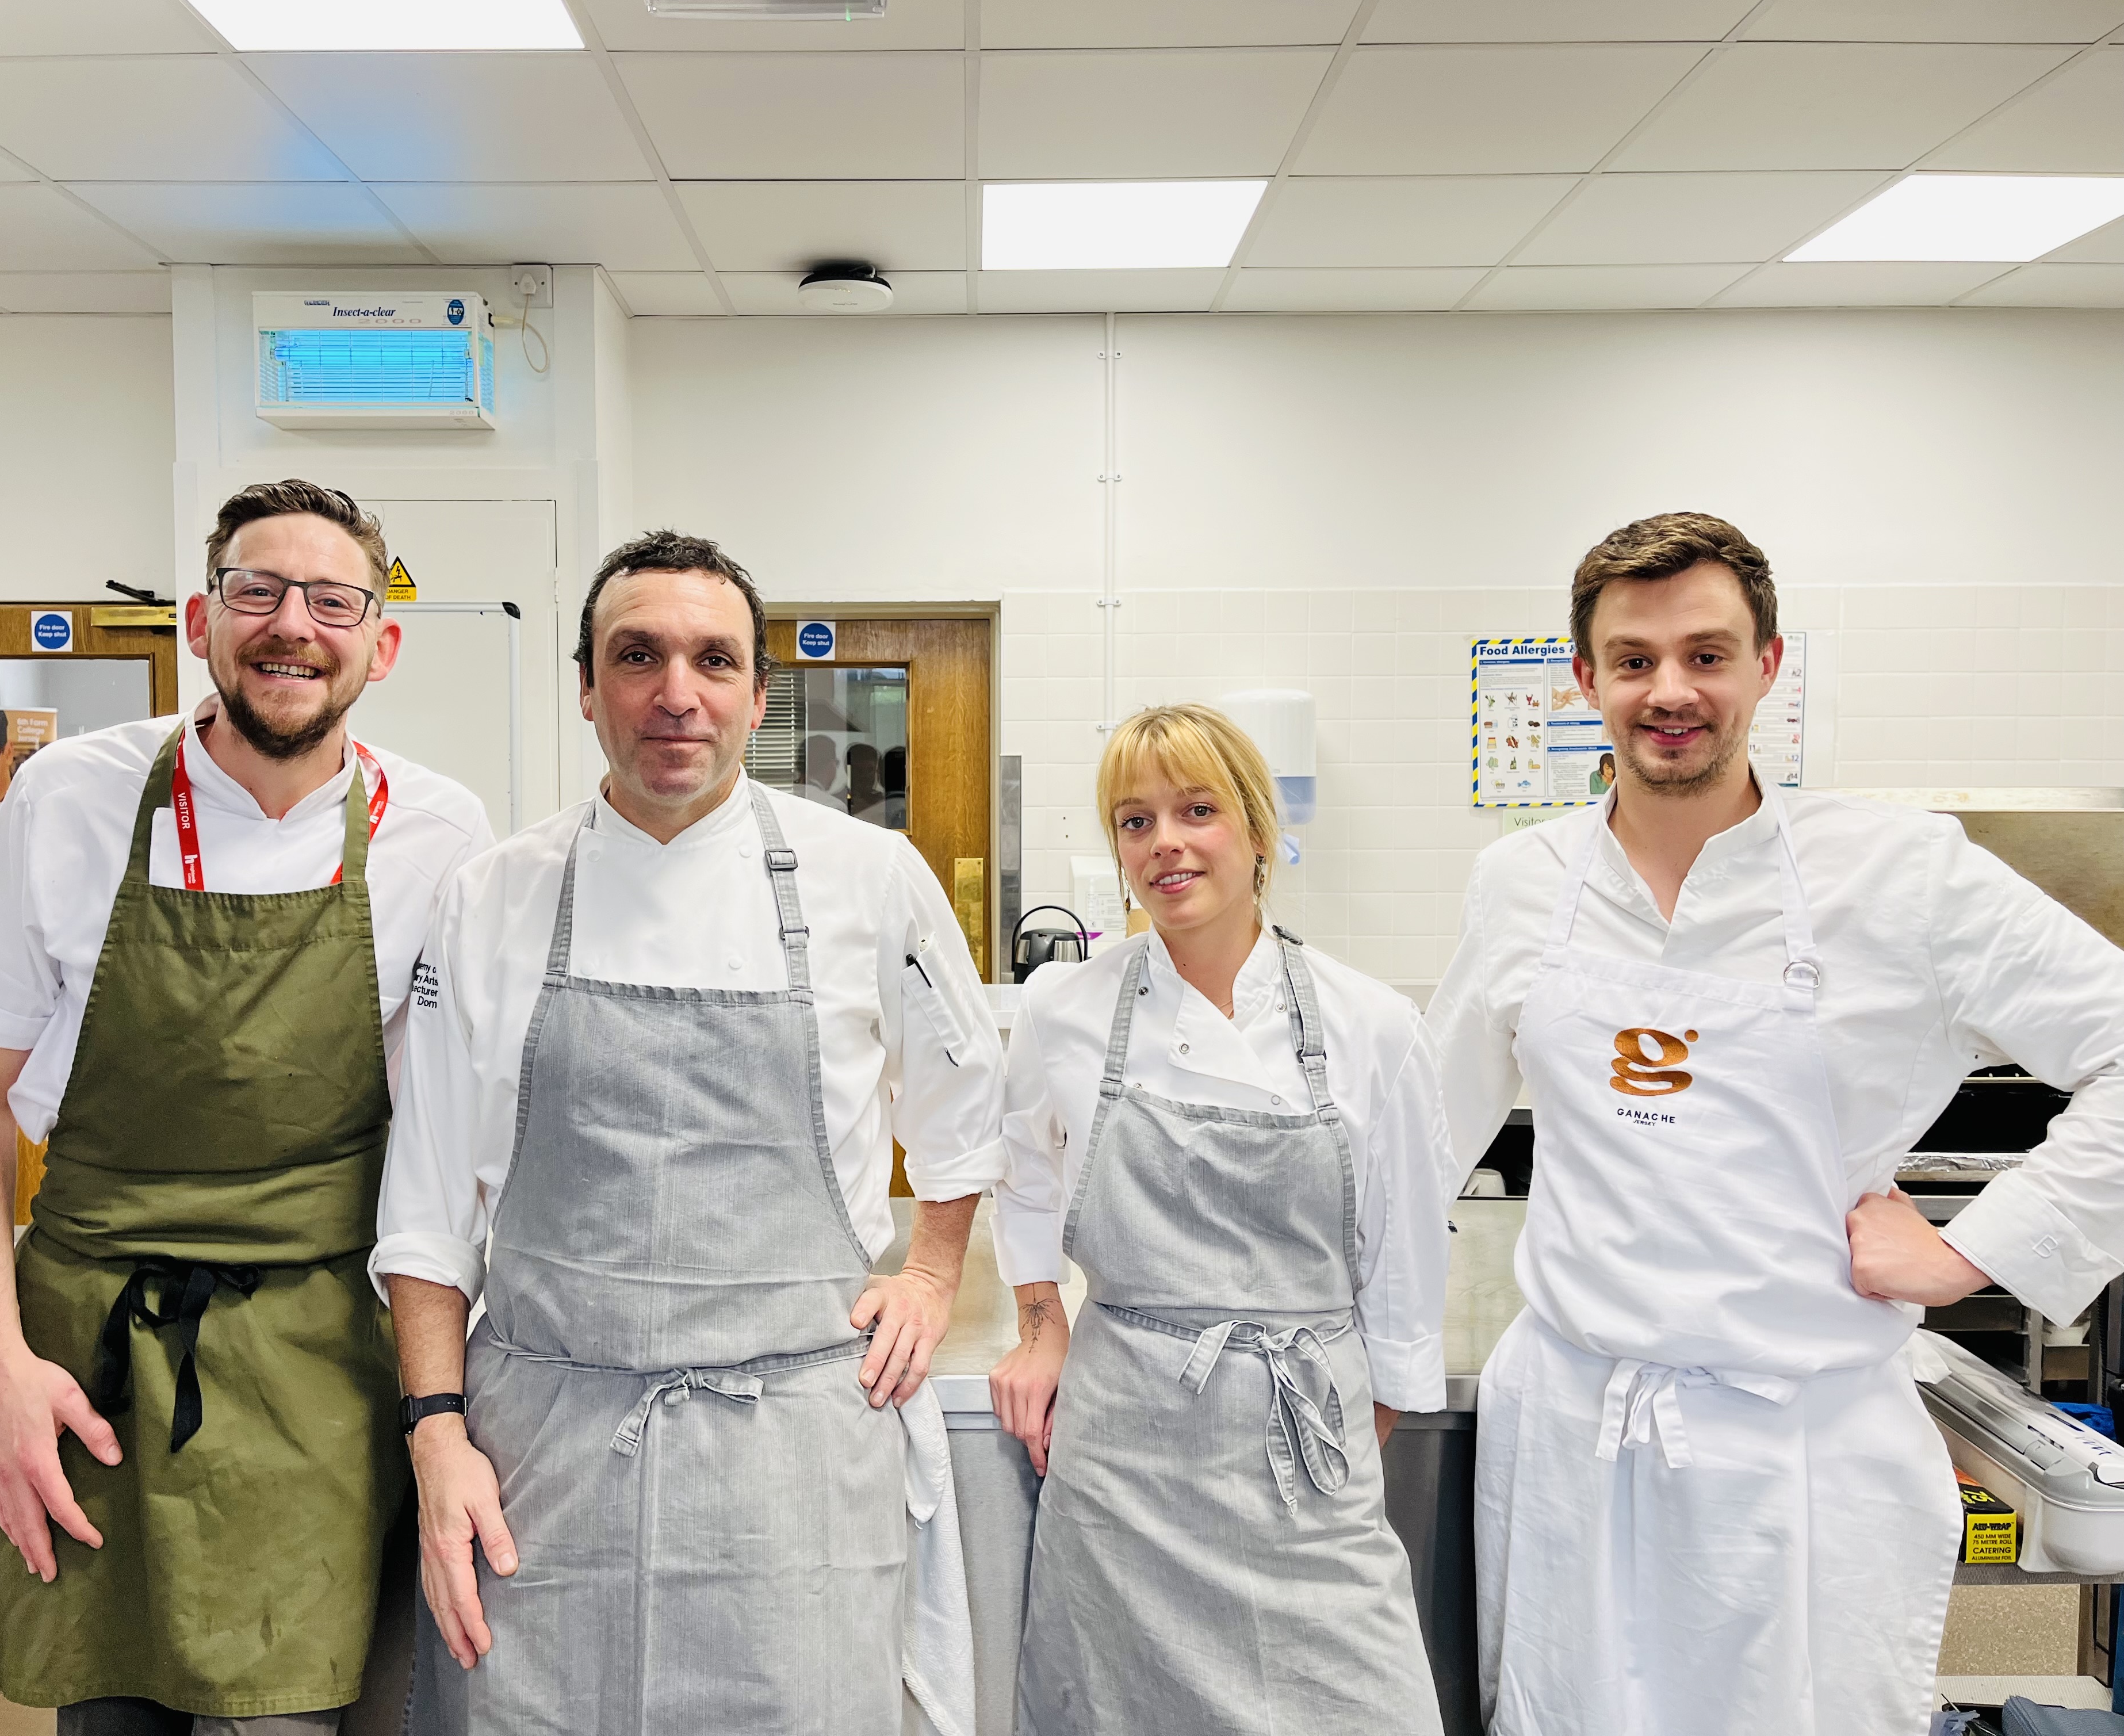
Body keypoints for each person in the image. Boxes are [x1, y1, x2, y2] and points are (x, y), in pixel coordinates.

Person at [1429, 511, 2124, 1736]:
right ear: (1585, 679)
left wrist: (1982, 1250)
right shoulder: (1521, 883)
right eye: (1635, 660)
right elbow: (1418, 1140)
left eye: (1707, 653)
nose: (1671, 691)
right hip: (1575, 1439)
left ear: (1768, 666)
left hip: (1801, 1453)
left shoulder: (1903, 876)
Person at [375, 527, 1005, 1734]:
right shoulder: (494, 895)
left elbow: (970, 1103)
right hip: (541, 1465)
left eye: (715, 661)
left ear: (758, 694)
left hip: (793, 1468)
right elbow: (426, 1204)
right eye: (638, 656)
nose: (678, 695)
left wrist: (931, 1273)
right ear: (586, 688)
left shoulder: (869, 879)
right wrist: (436, 1431)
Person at [0, 481, 492, 1733]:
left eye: (334, 600)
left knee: (288, 1713)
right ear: (199, 620)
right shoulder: (68, 798)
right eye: (258, 591)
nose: (294, 624)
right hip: (87, 1355)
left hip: (316, 1365)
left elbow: (442, 1137)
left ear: (379, 644)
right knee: (107, 1715)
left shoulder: (443, 836)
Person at [991, 703, 1451, 1735]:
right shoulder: (1066, 1012)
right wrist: (1040, 1323)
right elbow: (1019, 1177)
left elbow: (1409, 1261)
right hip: (1125, 1462)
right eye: (1135, 821)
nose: (1166, 844)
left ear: (1254, 829)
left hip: (1305, 1457)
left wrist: (1341, 1427)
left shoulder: (1370, 1024)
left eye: (1196, 810)